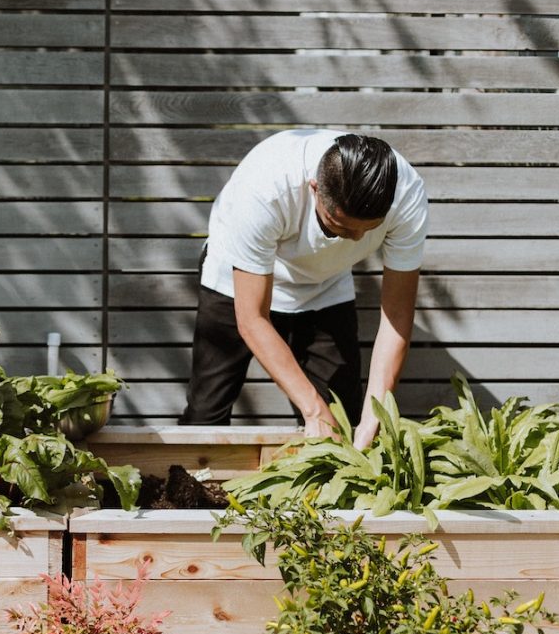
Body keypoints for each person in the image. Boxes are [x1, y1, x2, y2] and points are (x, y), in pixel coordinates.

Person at [179, 129, 428, 449]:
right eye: (340, 227)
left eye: (369, 230)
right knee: (205, 415)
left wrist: (374, 414)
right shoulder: (265, 188)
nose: (355, 239)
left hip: (325, 284)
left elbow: (396, 316)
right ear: (314, 189)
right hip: (235, 281)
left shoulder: (406, 195)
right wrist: (313, 410)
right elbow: (252, 319)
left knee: (342, 420)